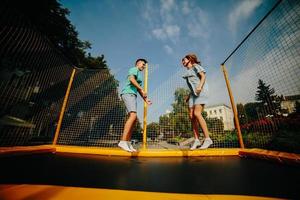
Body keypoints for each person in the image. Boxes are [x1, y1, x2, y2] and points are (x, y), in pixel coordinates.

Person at [118, 58, 152, 152]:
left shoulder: (139, 75)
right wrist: (141, 88)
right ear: (138, 63)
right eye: (143, 64)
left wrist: (146, 100)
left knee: (134, 119)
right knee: (133, 116)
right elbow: (131, 79)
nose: (144, 66)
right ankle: (123, 141)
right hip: (128, 93)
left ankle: (128, 143)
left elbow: (139, 90)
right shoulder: (134, 69)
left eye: (145, 65)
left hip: (133, 95)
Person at [181, 54, 213, 150]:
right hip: (193, 94)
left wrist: (199, 87)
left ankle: (208, 139)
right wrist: (188, 96)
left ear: (189, 59)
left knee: (197, 113)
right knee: (191, 116)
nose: (182, 62)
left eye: (184, 60)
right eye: (182, 61)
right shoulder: (188, 72)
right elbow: (192, 86)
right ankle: (196, 140)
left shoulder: (195, 66)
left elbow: (203, 76)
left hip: (201, 91)